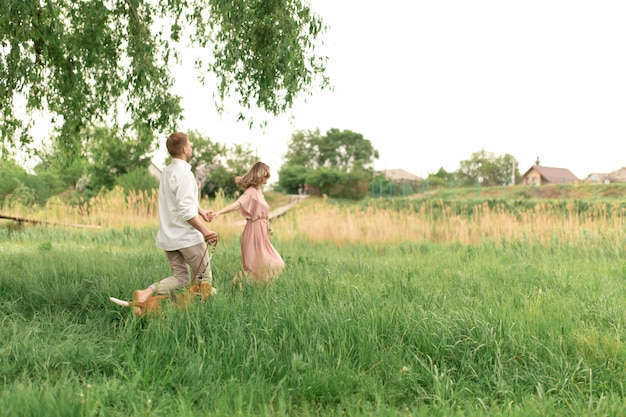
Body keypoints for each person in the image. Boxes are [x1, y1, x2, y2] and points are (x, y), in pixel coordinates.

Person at [133, 132, 218, 306]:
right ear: (185, 149)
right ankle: (200, 315)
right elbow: (186, 211)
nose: (192, 148)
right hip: (187, 238)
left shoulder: (167, 172)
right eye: (191, 145)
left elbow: (181, 201)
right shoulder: (185, 174)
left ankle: (147, 292)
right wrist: (206, 231)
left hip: (168, 236)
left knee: (181, 279)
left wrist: (201, 211)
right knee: (205, 281)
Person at [212, 161, 284, 286]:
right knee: (267, 263)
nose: (266, 179)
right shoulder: (251, 192)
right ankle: (238, 284)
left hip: (261, 232)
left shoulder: (259, 192)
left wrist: (267, 229)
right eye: (265, 175)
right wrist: (219, 212)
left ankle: (244, 284)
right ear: (259, 175)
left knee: (268, 263)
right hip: (253, 232)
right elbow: (237, 204)